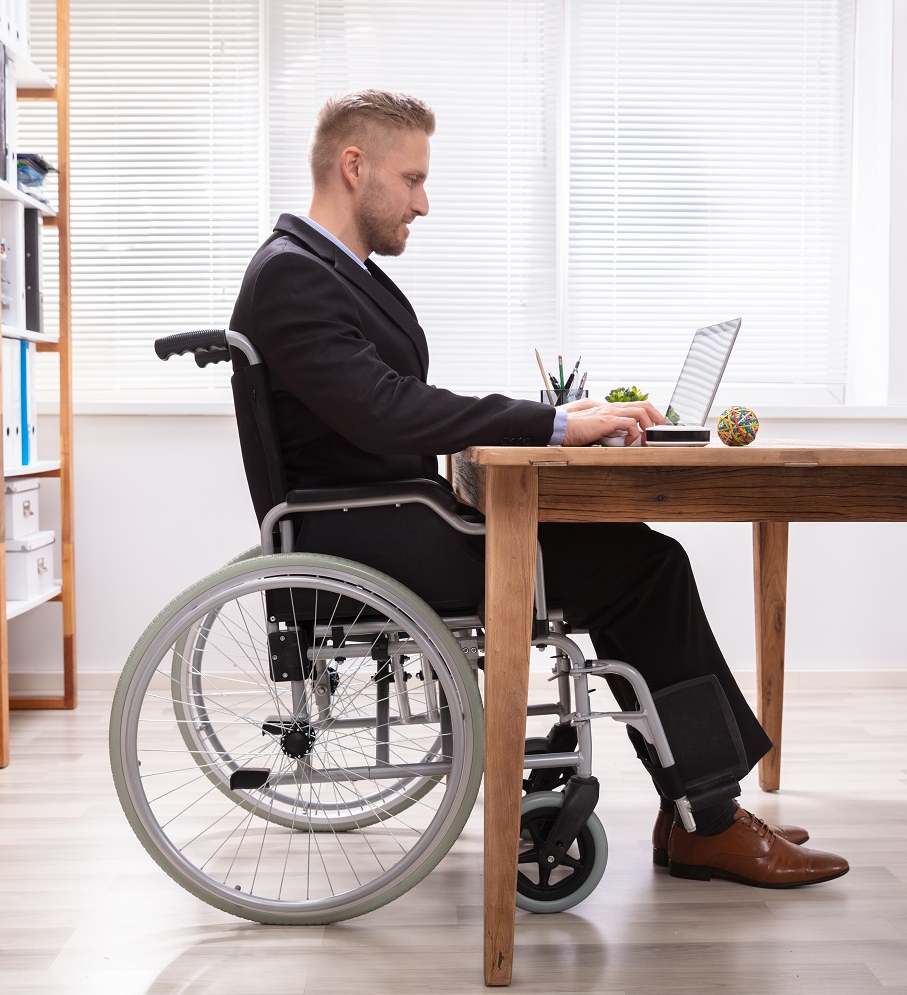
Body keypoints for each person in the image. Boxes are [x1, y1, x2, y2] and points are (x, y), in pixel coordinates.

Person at [228, 89, 848, 889]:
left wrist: (562, 417)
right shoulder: (294, 276)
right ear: (356, 167)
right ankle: (708, 816)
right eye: (412, 178)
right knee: (641, 568)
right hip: (375, 538)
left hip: (385, 523)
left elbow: (384, 402)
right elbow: (384, 410)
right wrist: (553, 424)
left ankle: (695, 804)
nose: (424, 201)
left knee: (634, 557)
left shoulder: (322, 272)